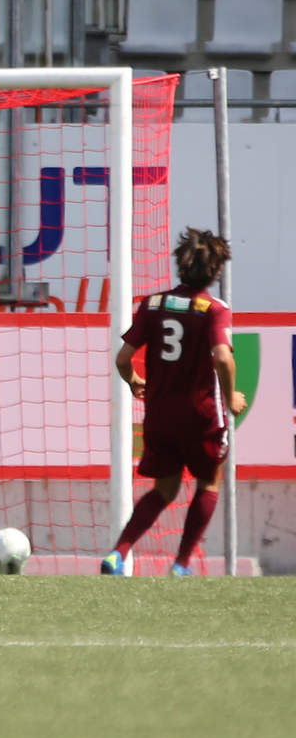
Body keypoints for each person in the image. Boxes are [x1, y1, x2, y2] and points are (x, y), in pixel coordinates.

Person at [102, 227, 246, 577]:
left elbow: (123, 359)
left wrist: (135, 382)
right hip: (201, 416)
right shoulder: (213, 309)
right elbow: (223, 358)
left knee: (164, 489)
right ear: (216, 271)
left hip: (159, 416)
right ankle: (181, 564)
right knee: (208, 482)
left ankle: (118, 553)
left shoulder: (152, 304)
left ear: (180, 265)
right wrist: (231, 396)